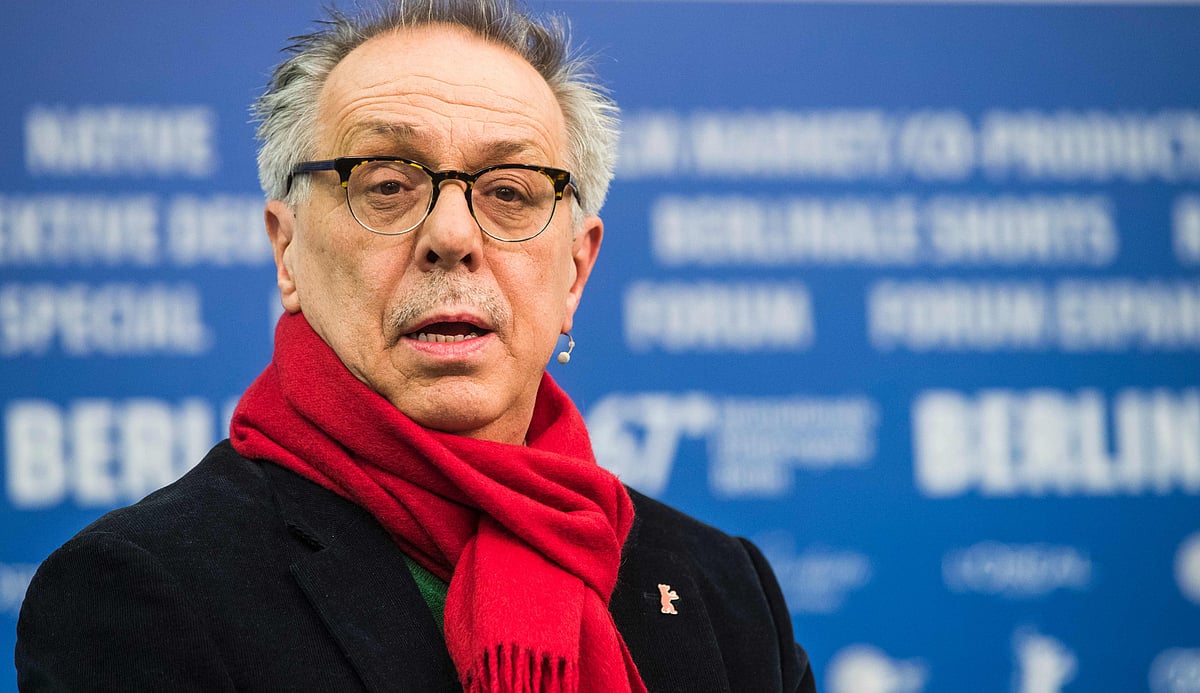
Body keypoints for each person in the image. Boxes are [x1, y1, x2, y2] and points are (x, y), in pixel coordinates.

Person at [15, 1, 816, 691]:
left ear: (576, 271)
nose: (453, 235)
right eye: (387, 184)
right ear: (286, 252)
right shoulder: (142, 589)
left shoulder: (724, 590)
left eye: (509, 192)